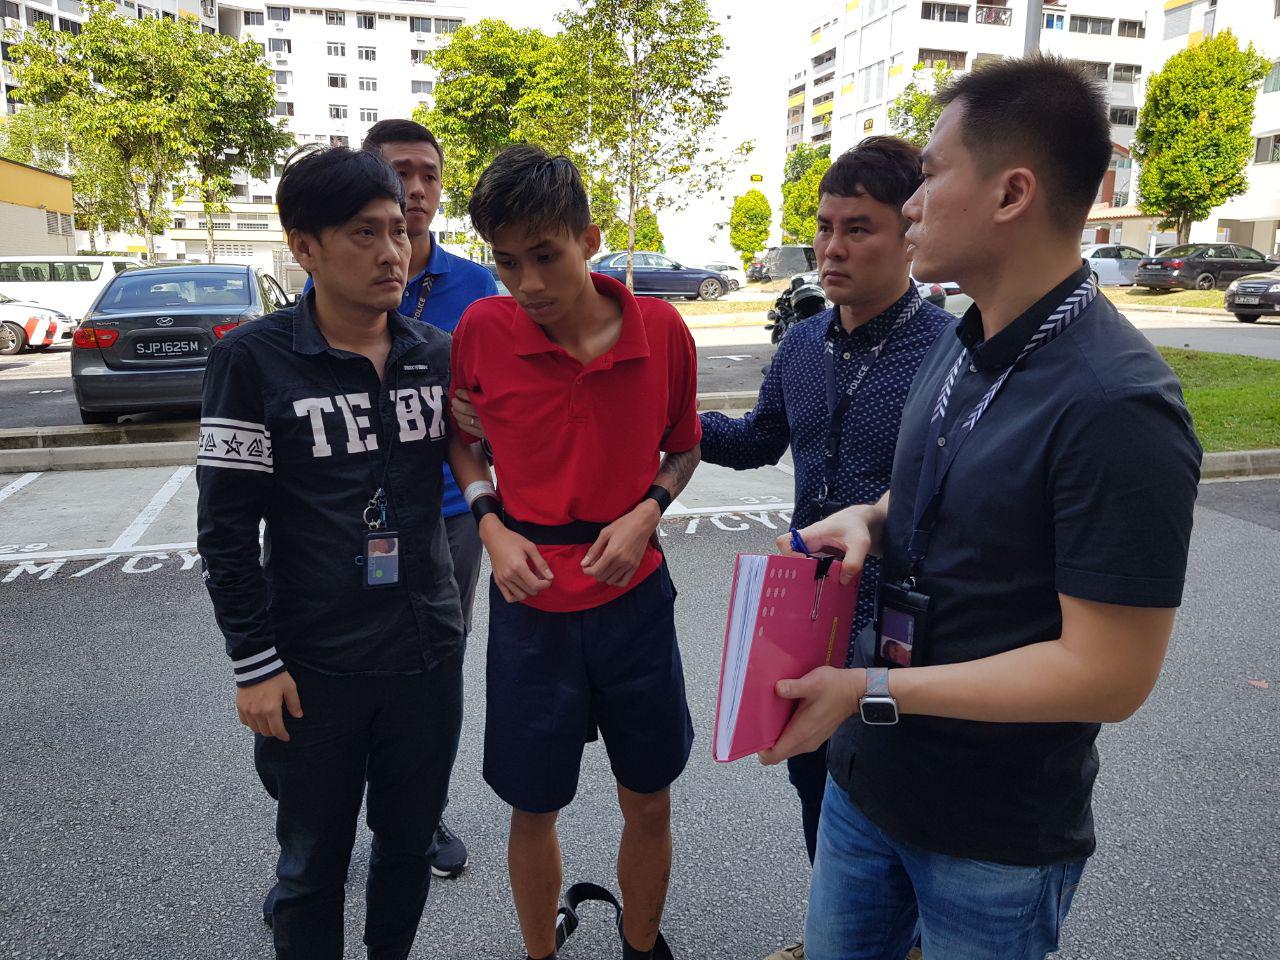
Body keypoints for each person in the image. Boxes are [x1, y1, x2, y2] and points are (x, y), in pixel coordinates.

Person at [764, 55, 1202, 960]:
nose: (913, 202)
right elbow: (964, 486)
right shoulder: (964, 336)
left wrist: (872, 692)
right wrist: (873, 517)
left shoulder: (1118, 403)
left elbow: (1110, 675)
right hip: (868, 785)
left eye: (928, 174)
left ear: (1012, 193)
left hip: (992, 838)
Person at [196, 144, 464, 960]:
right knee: (312, 865)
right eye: (362, 234)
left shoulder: (434, 354)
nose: (392, 253)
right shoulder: (251, 360)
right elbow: (226, 532)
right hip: (313, 668)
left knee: (407, 846)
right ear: (303, 246)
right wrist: (255, 662)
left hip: (426, 652)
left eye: (398, 231)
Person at [698, 137, 951, 960]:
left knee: (902, 801)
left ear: (912, 230)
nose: (832, 248)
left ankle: (903, 943)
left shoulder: (950, 352)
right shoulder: (804, 342)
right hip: (809, 616)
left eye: (859, 229)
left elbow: (958, 492)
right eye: (824, 227)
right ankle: (838, 933)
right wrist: (665, 420)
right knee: (815, 778)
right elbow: (756, 439)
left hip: (911, 626)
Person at [447, 145, 701, 960]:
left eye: (545, 255)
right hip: (530, 614)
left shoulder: (662, 330)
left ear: (589, 240)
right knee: (532, 808)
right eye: (506, 262)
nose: (526, 283)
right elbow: (461, 442)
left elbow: (684, 446)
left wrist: (647, 514)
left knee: (650, 801)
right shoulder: (483, 332)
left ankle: (641, 943)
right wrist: (490, 524)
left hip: (633, 602)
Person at [302, 117, 496, 878]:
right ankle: (317, 837)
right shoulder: (332, 274)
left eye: (429, 175)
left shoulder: (476, 287)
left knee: (433, 668)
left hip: (448, 517)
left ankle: (418, 813)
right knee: (335, 681)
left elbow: (495, 407)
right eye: (399, 172)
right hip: (343, 523)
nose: (416, 190)